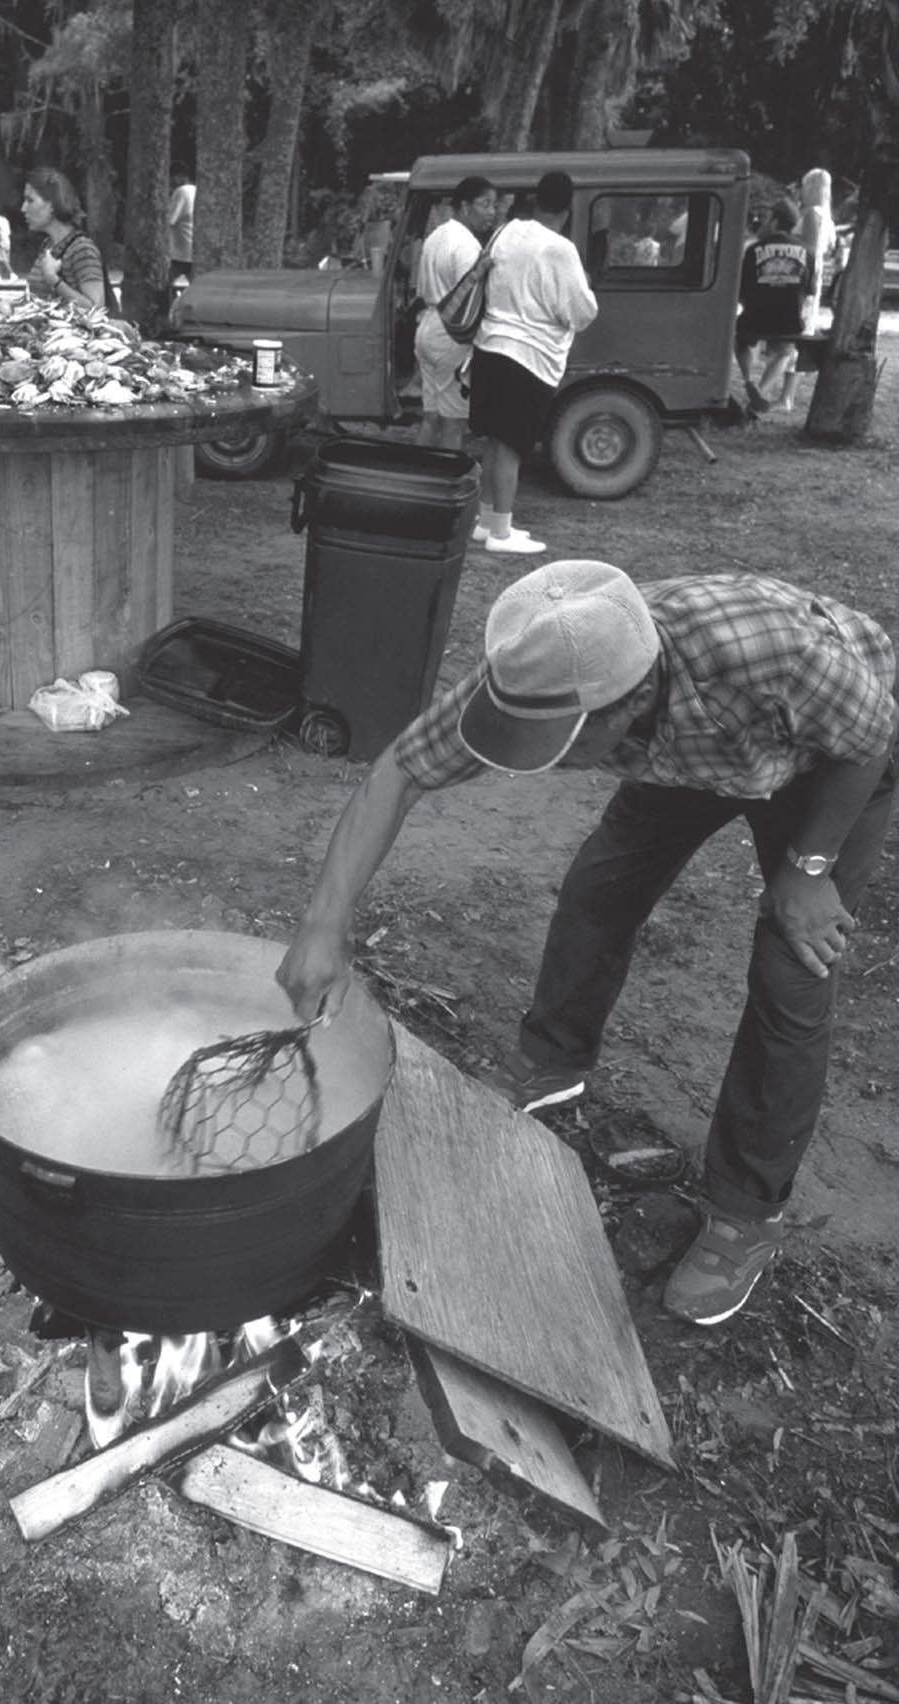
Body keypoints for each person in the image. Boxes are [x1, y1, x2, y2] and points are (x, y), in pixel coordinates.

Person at [277, 560, 897, 1328]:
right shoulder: (542, 662)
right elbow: (400, 769)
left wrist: (809, 870)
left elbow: (871, 735)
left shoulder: (778, 657)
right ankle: (552, 1063)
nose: (534, 758)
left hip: (822, 758)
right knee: (598, 890)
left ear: (628, 699)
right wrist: (321, 928)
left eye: (555, 741)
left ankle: (746, 1213)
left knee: (791, 968)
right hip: (685, 756)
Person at [470, 171, 597, 556]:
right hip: (527, 356)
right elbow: (580, 310)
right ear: (568, 206)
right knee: (512, 443)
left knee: (495, 438)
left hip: (489, 344)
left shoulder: (508, 231)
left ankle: (486, 520)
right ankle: (502, 533)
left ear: (536, 199)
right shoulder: (560, 249)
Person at [412, 176, 498, 452]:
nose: (492, 212)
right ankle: (444, 485)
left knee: (430, 417)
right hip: (451, 333)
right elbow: (469, 301)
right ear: (464, 206)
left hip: (426, 326)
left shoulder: (435, 237)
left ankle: (415, 476)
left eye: (494, 205)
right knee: (453, 422)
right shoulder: (467, 246)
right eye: (485, 204)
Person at [735, 197, 815, 417]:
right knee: (786, 352)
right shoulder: (807, 251)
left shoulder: (754, 249)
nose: (763, 221)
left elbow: (742, 289)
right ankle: (761, 391)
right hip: (788, 320)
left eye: (767, 217)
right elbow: (810, 290)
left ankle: (750, 381)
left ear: (775, 221)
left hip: (755, 317)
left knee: (740, 338)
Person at [779, 169, 836, 412]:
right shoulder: (827, 217)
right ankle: (785, 396)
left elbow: (809, 250)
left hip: (803, 279)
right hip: (813, 278)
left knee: (793, 334)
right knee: (799, 333)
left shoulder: (813, 214)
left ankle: (785, 397)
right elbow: (831, 249)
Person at [23, 167, 117, 313]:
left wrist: (54, 280)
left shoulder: (82, 249)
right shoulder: (48, 246)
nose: (23, 208)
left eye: (30, 200)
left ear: (52, 205)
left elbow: (96, 310)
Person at [167, 165, 196, 284]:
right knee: (195, 283)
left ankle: (165, 301)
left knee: (165, 283)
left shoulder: (181, 191)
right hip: (193, 247)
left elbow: (171, 219)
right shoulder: (195, 190)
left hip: (181, 250)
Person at [0, 209, 13, 280]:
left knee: (3, 258)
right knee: (0, 259)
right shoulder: (6, 220)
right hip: (7, 240)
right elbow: (9, 232)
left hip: (1, 240)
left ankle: (12, 274)